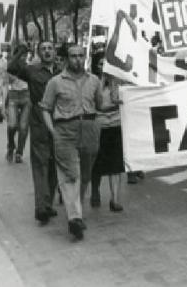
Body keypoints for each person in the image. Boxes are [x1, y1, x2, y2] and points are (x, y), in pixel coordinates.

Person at [40, 45, 117, 240]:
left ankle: (76, 210)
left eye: (80, 56)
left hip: (90, 128)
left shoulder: (94, 81)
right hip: (65, 130)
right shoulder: (55, 82)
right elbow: (45, 108)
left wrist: (119, 101)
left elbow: (101, 106)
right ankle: (74, 218)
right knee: (71, 175)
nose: (77, 59)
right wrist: (53, 131)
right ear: (66, 59)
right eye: (73, 56)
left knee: (85, 174)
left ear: (85, 58)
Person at [7, 41, 60, 225]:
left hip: (60, 123)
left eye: (50, 48)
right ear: (38, 53)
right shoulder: (32, 70)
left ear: (55, 52)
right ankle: (40, 208)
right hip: (39, 122)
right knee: (40, 164)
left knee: (55, 164)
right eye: (43, 49)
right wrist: (22, 50)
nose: (47, 51)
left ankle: (48, 203)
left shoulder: (62, 71)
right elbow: (12, 66)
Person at [90, 52, 124, 212]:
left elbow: (122, 100)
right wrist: (103, 80)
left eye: (107, 64)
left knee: (116, 164)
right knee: (97, 163)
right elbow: (98, 104)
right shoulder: (92, 81)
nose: (104, 67)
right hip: (100, 126)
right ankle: (95, 190)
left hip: (116, 125)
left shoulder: (118, 82)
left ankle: (114, 198)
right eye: (100, 64)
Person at [5, 45, 32, 163]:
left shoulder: (29, 66)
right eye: (22, 54)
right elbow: (5, 86)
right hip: (13, 97)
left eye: (25, 54)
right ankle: (11, 146)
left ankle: (19, 152)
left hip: (26, 96)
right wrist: (3, 105)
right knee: (12, 125)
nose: (24, 57)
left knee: (23, 127)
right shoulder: (10, 67)